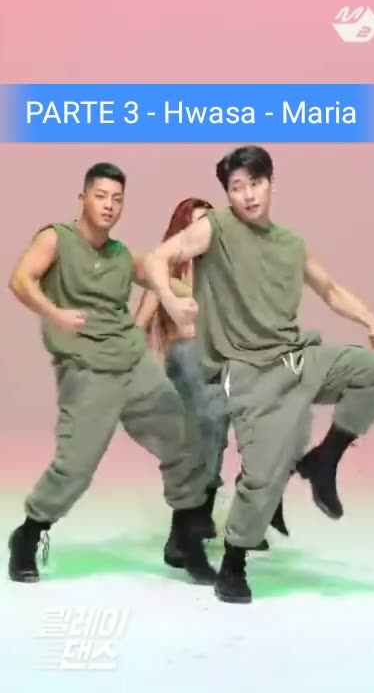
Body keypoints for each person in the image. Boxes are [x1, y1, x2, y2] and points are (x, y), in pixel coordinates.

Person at [143, 145, 374, 604]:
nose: (248, 195)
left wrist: (370, 321)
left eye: (255, 183)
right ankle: (233, 563)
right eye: (237, 187)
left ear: (270, 183)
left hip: (298, 358)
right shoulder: (216, 228)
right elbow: (158, 258)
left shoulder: (291, 243)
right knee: (263, 476)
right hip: (249, 371)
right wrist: (171, 299)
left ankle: (324, 459)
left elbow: (330, 289)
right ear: (227, 194)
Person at [7, 162, 217, 587]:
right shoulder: (56, 239)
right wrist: (55, 314)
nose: (108, 205)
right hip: (87, 369)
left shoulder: (122, 255)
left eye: (117, 199)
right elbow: (20, 280)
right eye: (100, 196)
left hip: (133, 362)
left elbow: (163, 279)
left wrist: (199, 296)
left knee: (184, 442)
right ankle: (28, 534)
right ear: (82, 199)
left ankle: (188, 542)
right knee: (75, 467)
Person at [135, 198, 288, 567]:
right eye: (195, 224)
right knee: (210, 426)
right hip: (187, 356)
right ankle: (185, 531)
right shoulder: (168, 272)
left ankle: (244, 515)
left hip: (222, 358)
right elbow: (140, 325)